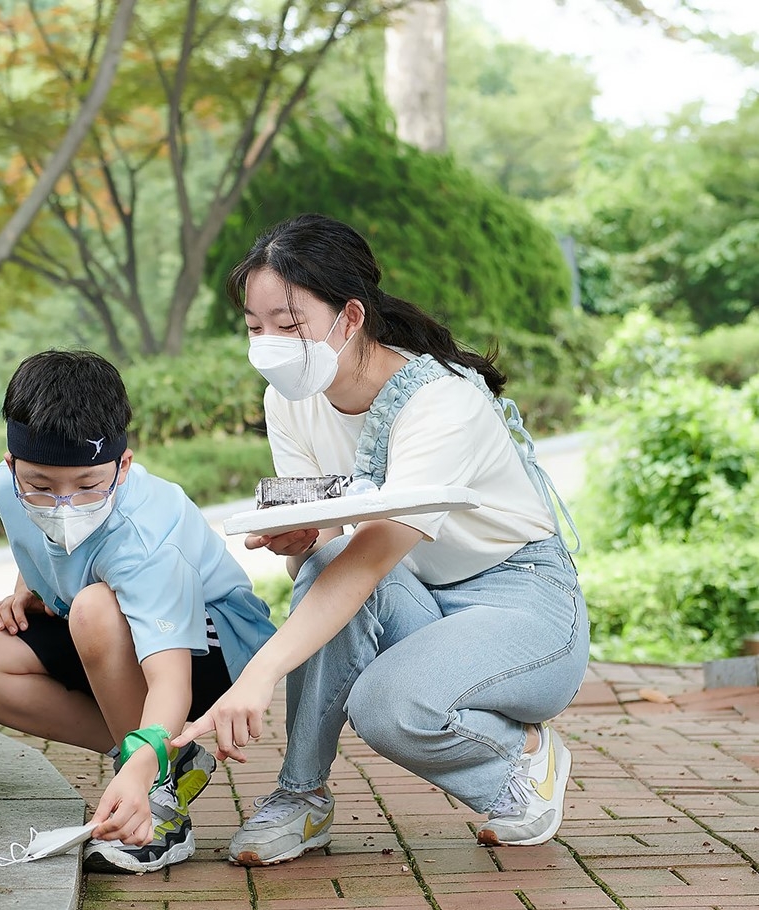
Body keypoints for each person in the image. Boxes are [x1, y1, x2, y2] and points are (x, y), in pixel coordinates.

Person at [173, 213, 589, 865]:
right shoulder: (289, 400)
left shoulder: (442, 403)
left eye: (289, 325)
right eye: (256, 328)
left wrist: (258, 674)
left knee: (388, 705)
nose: (269, 344)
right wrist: (302, 540)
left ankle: (522, 757)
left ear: (351, 317)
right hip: (419, 594)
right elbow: (332, 549)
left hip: (524, 605)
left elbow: (371, 557)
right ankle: (300, 797)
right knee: (328, 561)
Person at [0, 349, 276, 873]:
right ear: (12, 467)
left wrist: (143, 765)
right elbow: (41, 542)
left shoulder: (147, 536)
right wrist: (27, 584)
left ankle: (159, 803)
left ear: (123, 466)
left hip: (214, 651)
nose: (64, 507)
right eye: (42, 487)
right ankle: (167, 755)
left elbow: (171, 682)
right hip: (99, 630)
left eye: (89, 486)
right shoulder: (6, 488)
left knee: (94, 608)